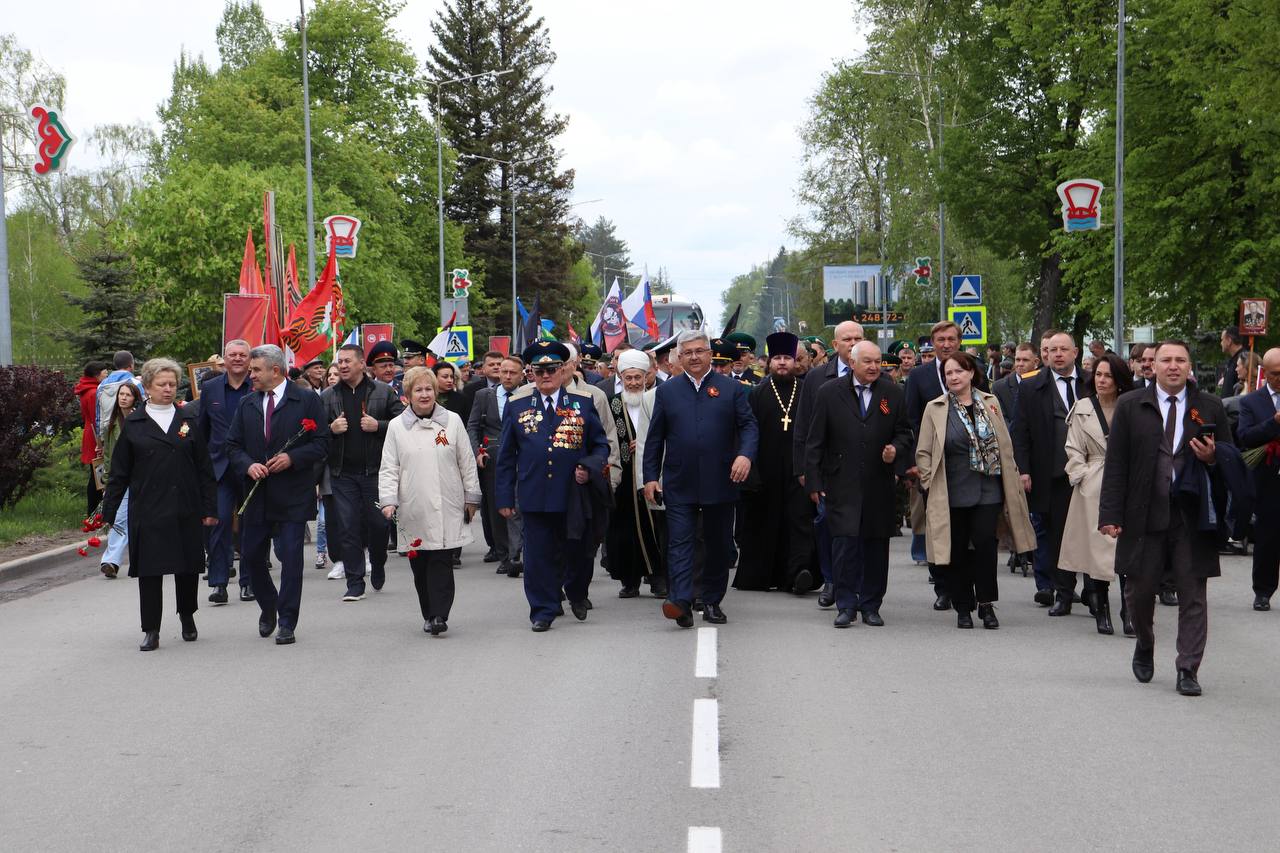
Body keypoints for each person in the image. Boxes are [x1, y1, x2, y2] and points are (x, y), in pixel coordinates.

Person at [1100, 340, 1235, 696]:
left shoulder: (1210, 406)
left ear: (1190, 366)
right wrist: (1110, 514)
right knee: (1139, 593)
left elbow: (1229, 458)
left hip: (1192, 517)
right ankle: (1145, 642)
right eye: (1166, 360)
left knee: (1193, 594)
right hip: (1143, 513)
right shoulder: (1131, 405)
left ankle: (1187, 667)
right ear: (1152, 366)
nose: (1173, 366)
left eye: (1180, 360)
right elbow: (1116, 465)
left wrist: (1212, 457)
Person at [643, 330, 759, 628]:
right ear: (679, 358)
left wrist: (745, 456)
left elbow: (748, 427)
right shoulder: (667, 392)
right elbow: (655, 438)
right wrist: (650, 477)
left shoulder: (731, 389)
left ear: (709, 354)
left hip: (722, 480)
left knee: (718, 545)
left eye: (699, 351)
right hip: (679, 480)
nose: (694, 357)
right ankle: (680, 601)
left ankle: (711, 601)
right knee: (680, 543)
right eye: (688, 352)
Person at [101, 358, 218, 651]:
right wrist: (110, 511)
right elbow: (119, 473)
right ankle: (151, 628)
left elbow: (204, 468)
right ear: (148, 387)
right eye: (161, 385)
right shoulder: (135, 424)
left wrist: (209, 508)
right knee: (150, 572)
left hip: (185, 506)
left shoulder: (187, 419)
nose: (168, 389)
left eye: (171, 384)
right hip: (149, 509)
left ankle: (187, 616)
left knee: (188, 567)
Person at [495, 341, 610, 631]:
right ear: (531, 373)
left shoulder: (582, 403)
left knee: (578, 551)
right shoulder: (517, 405)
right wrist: (504, 496)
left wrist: (588, 466)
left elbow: (600, 446)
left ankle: (577, 593)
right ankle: (542, 609)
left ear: (563, 371)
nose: (546, 375)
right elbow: (506, 456)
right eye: (539, 370)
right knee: (537, 556)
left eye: (552, 369)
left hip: (572, 493)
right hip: (534, 493)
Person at [916, 351, 1035, 629]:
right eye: (948, 373)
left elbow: (1005, 442)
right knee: (957, 549)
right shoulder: (935, 408)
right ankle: (963, 607)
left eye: (959, 371)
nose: (954, 377)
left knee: (984, 546)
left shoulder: (990, 403)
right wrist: (927, 479)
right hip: (952, 489)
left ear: (971, 373)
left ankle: (986, 603)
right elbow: (923, 451)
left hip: (988, 488)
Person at [227, 345, 330, 645]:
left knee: (291, 559)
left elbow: (322, 444)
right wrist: (248, 465)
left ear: (275, 370)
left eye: (256, 370)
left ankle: (287, 621)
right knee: (252, 556)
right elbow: (233, 446)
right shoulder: (247, 403)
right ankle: (268, 604)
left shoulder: (306, 400)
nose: (251, 375)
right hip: (257, 493)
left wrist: (292, 458)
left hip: (293, 493)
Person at [804, 341, 913, 627]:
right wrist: (814, 482)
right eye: (867, 361)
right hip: (841, 482)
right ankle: (846, 605)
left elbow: (904, 433)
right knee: (844, 545)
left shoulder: (892, 392)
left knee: (876, 546)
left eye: (878, 361)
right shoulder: (829, 393)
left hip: (878, 482)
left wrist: (895, 450)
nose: (875, 367)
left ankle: (871, 604)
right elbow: (815, 441)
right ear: (852, 363)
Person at [379, 367, 480, 635]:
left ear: (436, 392)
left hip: (448, 503)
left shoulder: (453, 421)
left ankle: (440, 615)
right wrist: (388, 500)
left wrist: (472, 497)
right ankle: (428, 611)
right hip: (413, 505)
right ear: (408, 395)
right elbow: (389, 466)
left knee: (441, 560)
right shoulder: (397, 427)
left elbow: (467, 462)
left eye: (428, 389)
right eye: (418, 390)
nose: (424, 395)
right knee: (420, 563)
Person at [905, 320, 987, 611]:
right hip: (935, 466)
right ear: (932, 342)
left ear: (959, 341)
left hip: (973, 467)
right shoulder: (919, 377)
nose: (946, 344)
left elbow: (987, 411)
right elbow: (911, 420)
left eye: (951, 339)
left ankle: (972, 585)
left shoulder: (974, 369)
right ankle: (943, 587)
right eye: (940, 340)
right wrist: (917, 462)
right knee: (939, 528)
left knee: (972, 534)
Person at [1012, 330, 1088, 613]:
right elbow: (1020, 433)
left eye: (1063, 349)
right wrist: (1024, 470)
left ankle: (1094, 591)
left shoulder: (1092, 382)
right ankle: (1063, 593)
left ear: (1075, 353)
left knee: (1090, 533)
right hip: (1052, 473)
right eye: (1052, 350)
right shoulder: (1032, 387)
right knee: (1057, 535)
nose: (1057, 354)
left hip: (1089, 474)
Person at [1059, 353, 1135, 635]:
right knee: (1097, 551)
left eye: (1109, 376)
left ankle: (1129, 610)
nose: (1102, 381)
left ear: (1119, 381)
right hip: (1093, 485)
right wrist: (1082, 475)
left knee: (1127, 549)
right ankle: (1101, 609)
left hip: (1126, 482)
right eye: (1099, 375)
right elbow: (1073, 447)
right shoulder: (1082, 407)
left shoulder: (1131, 406)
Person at [321, 343, 404, 602]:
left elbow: (403, 424)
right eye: (340, 361)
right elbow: (313, 433)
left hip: (376, 472)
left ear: (360, 364)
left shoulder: (383, 392)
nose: (343, 366)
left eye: (348, 361)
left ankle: (377, 563)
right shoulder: (328, 396)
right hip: (342, 473)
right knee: (348, 527)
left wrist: (378, 425)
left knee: (379, 525)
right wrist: (330, 429)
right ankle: (355, 582)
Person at [791, 321, 865, 606]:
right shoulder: (818, 378)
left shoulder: (876, 374)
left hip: (863, 470)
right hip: (828, 470)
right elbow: (804, 428)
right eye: (847, 339)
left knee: (860, 528)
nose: (853, 342)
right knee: (826, 523)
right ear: (835, 346)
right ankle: (832, 579)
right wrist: (804, 471)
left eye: (858, 337)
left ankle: (856, 583)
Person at [735, 332, 814, 594]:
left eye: (787, 358)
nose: (782, 363)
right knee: (763, 523)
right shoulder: (756, 394)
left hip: (798, 470)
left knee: (799, 522)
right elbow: (748, 432)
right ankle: (760, 575)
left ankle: (798, 573)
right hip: (766, 471)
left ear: (796, 362)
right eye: (777, 358)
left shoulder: (807, 392)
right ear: (768, 362)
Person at [196, 339, 255, 605]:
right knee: (218, 524)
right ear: (224, 358)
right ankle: (219, 583)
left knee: (249, 526)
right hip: (218, 468)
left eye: (243, 355)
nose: (238, 359)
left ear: (250, 359)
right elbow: (203, 429)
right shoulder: (209, 389)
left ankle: (249, 582)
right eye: (232, 355)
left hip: (251, 467)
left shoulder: (258, 385)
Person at [605, 349, 668, 598]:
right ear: (621, 377)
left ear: (646, 376)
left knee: (655, 528)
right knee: (624, 531)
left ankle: (657, 578)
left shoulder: (655, 399)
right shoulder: (613, 403)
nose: (633, 383)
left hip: (651, 473)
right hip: (623, 477)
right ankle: (628, 580)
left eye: (637, 378)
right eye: (628, 378)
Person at [468, 354, 526, 576]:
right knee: (498, 506)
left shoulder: (529, 395)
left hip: (523, 457)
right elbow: (472, 426)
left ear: (522, 375)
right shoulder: (484, 395)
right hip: (494, 458)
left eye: (513, 372)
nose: (508, 376)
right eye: (504, 371)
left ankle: (518, 552)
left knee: (521, 505)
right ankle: (505, 555)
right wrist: (477, 452)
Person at [1236, 348, 1280, 611]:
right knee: (1268, 536)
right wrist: (1274, 423)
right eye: (1275, 374)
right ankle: (1263, 591)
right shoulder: (1251, 402)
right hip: (1268, 477)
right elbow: (1245, 437)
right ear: (1266, 373)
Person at [97, 381, 139, 579]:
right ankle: (111, 561)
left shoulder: (141, 420)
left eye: (128, 395)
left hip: (142, 478)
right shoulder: (111, 425)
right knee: (120, 518)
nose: (123, 398)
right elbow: (106, 455)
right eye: (121, 394)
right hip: (121, 479)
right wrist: (106, 482)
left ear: (135, 398)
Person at [77, 361, 110, 515]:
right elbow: (97, 417)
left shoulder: (88, 390)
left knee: (96, 473)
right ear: (97, 374)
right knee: (97, 475)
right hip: (95, 436)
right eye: (105, 372)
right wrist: (102, 441)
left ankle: (95, 512)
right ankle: (94, 512)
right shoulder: (93, 392)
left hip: (90, 432)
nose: (107, 374)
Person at [1217, 327, 1246, 395]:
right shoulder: (1233, 360)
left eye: (1222, 340)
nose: (1221, 343)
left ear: (1229, 341)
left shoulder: (1244, 359)